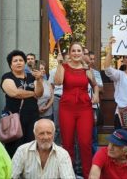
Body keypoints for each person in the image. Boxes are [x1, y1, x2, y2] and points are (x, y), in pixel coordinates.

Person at [54, 42, 99, 179]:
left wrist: (96, 94)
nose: (76, 53)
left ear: (82, 53)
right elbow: (57, 82)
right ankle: (68, 174)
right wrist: (59, 64)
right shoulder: (64, 67)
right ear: (70, 53)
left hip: (84, 108)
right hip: (67, 107)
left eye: (79, 50)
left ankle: (87, 175)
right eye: (73, 50)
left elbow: (95, 85)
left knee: (85, 143)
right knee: (67, 143)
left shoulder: (87, 69)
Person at [1, 50, 44, 157]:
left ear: (24, 63)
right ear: (10, 65)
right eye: (15, 61)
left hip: (32, 117)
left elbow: (39, 93)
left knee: (31, 148)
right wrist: (32, 93)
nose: (18, 62)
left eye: (21, 60)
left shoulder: (32, 77)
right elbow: (15, 93)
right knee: (14, 149)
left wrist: (38, 79)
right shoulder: (7, 77)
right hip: (14, 119)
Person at [48, 52, 69, 145]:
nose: (69, 61)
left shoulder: (73, 70)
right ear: (63, 59)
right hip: (57, 98)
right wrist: (51, 99)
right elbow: (51, 86)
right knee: (57, 124)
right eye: (68, 59)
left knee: (69, 124)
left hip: (69, 99)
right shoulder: (53, 71)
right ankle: (55, 145)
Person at [88, 50, 104, 154]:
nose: (92, 61)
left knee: (93, 134)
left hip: (93, 107)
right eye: (90, 58)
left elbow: (101, 88)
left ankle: (94, 159)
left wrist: (93, 83)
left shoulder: (96, 73)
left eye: (94, 59)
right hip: (79, 106)